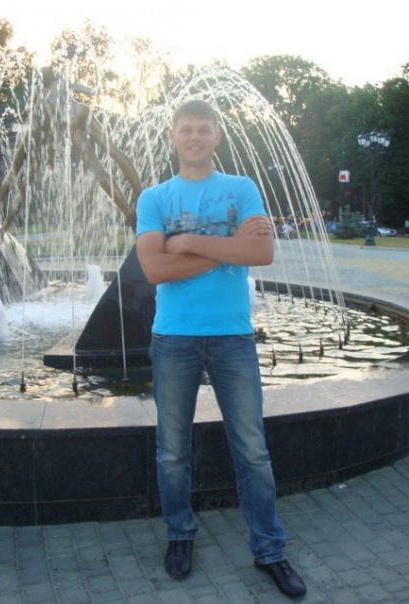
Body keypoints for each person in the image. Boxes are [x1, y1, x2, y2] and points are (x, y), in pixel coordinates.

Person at [136, 99, 307, 599]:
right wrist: (227, 245)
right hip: (174, 337)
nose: (195, 137)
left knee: (253, 451)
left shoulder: (241, 188)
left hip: (233, 337)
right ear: (173, 137)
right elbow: (155, 270)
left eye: (204, 129)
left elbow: (262, 252)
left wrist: (186, 242)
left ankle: (270, 550)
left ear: (216, 137)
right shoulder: (154, 197)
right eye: (186, 129)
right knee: (173, 451)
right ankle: (180, 534)